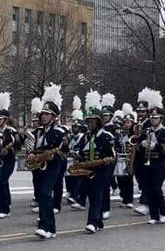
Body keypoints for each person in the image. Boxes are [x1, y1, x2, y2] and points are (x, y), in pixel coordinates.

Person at [75, 92, 116, 233]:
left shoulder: (107, 136)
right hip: (86, 170)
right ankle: (98, 221)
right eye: (88, 121)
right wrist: (77, 158)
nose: (90, 123)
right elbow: (78, 151)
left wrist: (107, 161)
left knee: (97, 194)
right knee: (90, 195)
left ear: (99, 122)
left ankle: (92, 222)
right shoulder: (85, 137)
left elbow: (113, 155)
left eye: (92, 120)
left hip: (101, 170)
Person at [31, 84, 67, 239]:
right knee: (41, 195)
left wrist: (62, 146)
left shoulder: (59, 132)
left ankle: (44, 226)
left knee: (46, 193)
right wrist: (31, 155)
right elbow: (32, 147)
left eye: (47, 114)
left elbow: (65, 149)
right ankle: (50, 228)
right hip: (38, 165)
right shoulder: (37, 131)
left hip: (53, 165)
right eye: (43, 114)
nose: (43, 116)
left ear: (54, 117)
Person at [143, 100, 165, 224]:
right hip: (147, 162)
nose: (153, 119)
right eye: (152, 117)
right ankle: (153, 215)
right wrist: (142, 144)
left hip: (160, 163)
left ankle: (163, 210)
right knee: (148, 189)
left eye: (156, 118)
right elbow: (139, 143)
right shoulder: (147, 131)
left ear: (161, 119)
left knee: (156, 188)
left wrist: (156, 146)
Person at [0, 93, 20, 220]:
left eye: (0, 119)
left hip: (8, 160)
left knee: (2, 180)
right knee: (1, 182)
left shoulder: (11, 131)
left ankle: (4, 209)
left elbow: (18, 145)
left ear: (5, 119)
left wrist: (9, 150)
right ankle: (4, 202)